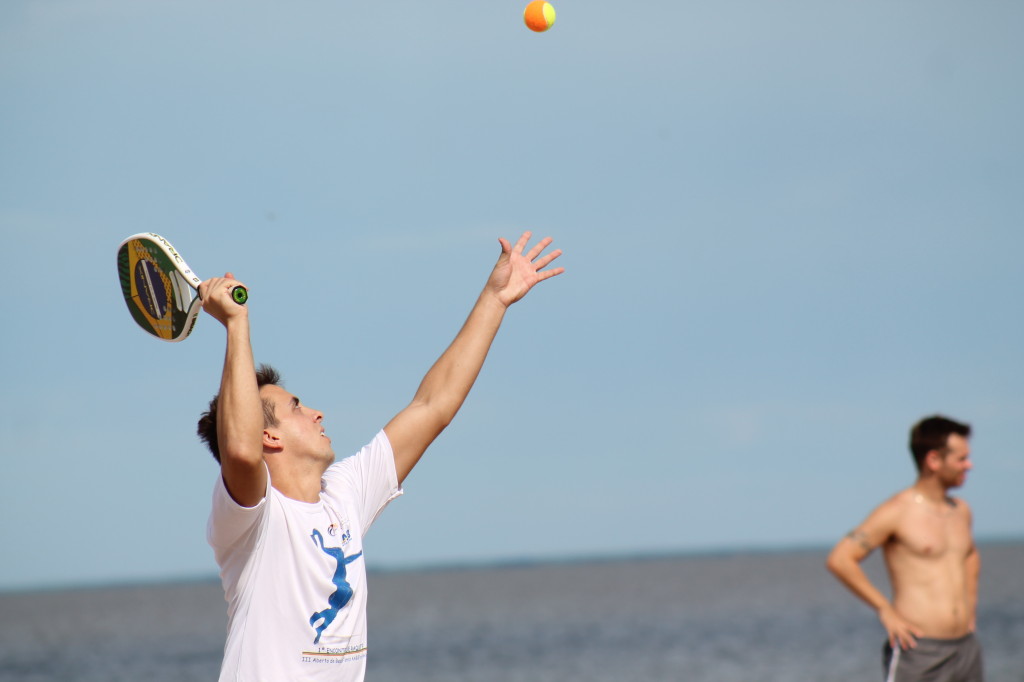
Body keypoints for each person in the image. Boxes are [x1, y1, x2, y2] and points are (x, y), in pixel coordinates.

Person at [194, 232, 563, 681]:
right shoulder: (250, 519)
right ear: (268, 437)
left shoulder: (344, 494)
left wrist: (494, 300)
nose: (315, 412)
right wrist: (236, 324)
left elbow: (432, 407)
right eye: (296, 407)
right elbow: (239, 450)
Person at [826, 416, 983, 682]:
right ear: (933, 460)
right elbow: (841, 559)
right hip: (919, 649)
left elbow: (969, 554)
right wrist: (885, 610)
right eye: (961, 459)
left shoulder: (961, 511)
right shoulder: (897, 512)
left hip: (966, 648)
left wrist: (971, 603)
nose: (969, 465)